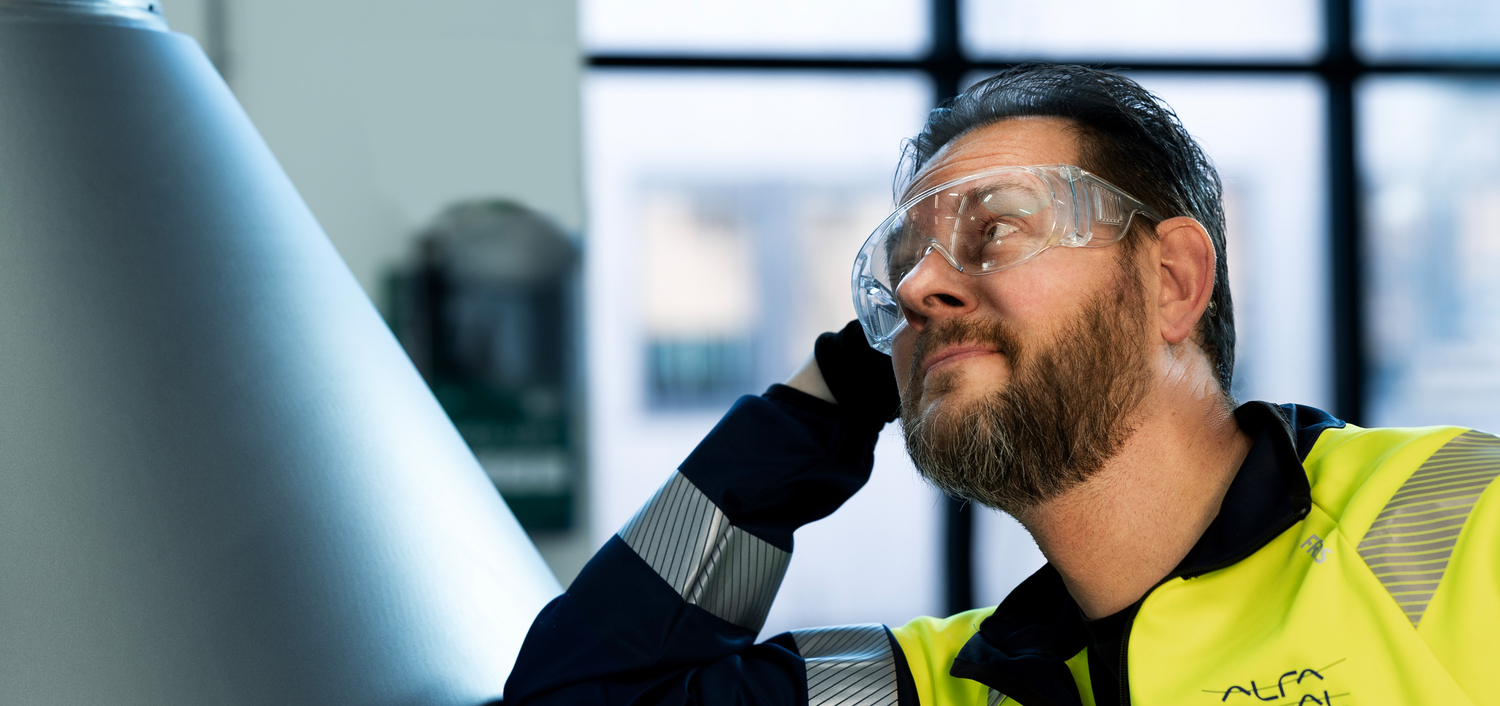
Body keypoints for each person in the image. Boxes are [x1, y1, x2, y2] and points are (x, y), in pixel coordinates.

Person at [502, 64, 1500, 706]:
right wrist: (828, 401)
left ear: (1170, 281)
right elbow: (577, 696)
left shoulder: (1444, 524)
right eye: (901, 267)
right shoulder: (946, 684)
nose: (918, 283)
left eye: (995, 231)